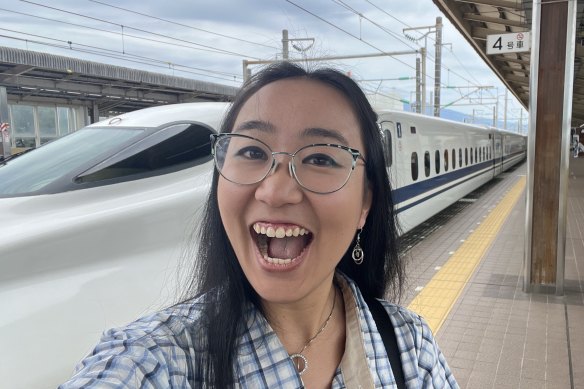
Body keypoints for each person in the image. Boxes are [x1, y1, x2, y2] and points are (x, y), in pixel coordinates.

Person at [60, 62, 458, 388]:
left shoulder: (409, 347)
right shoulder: (151, 363)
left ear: (365, 203)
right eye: (251, 151)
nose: (275, 191)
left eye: (320, 159)